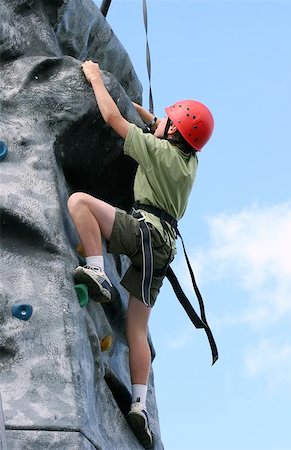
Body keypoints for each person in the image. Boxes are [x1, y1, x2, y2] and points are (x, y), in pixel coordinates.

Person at [67, 60, 214, 449]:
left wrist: (97, 79)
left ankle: (96, 271)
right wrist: (144, 109)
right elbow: (154, 122)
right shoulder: (188, 161)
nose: (157, 122)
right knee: (137, 333)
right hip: (163, 254)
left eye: (167, 122)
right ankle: (139, 406)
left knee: (80, 202)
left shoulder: (156, 152)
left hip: (144, 233)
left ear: (172, 135)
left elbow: (115, 119)